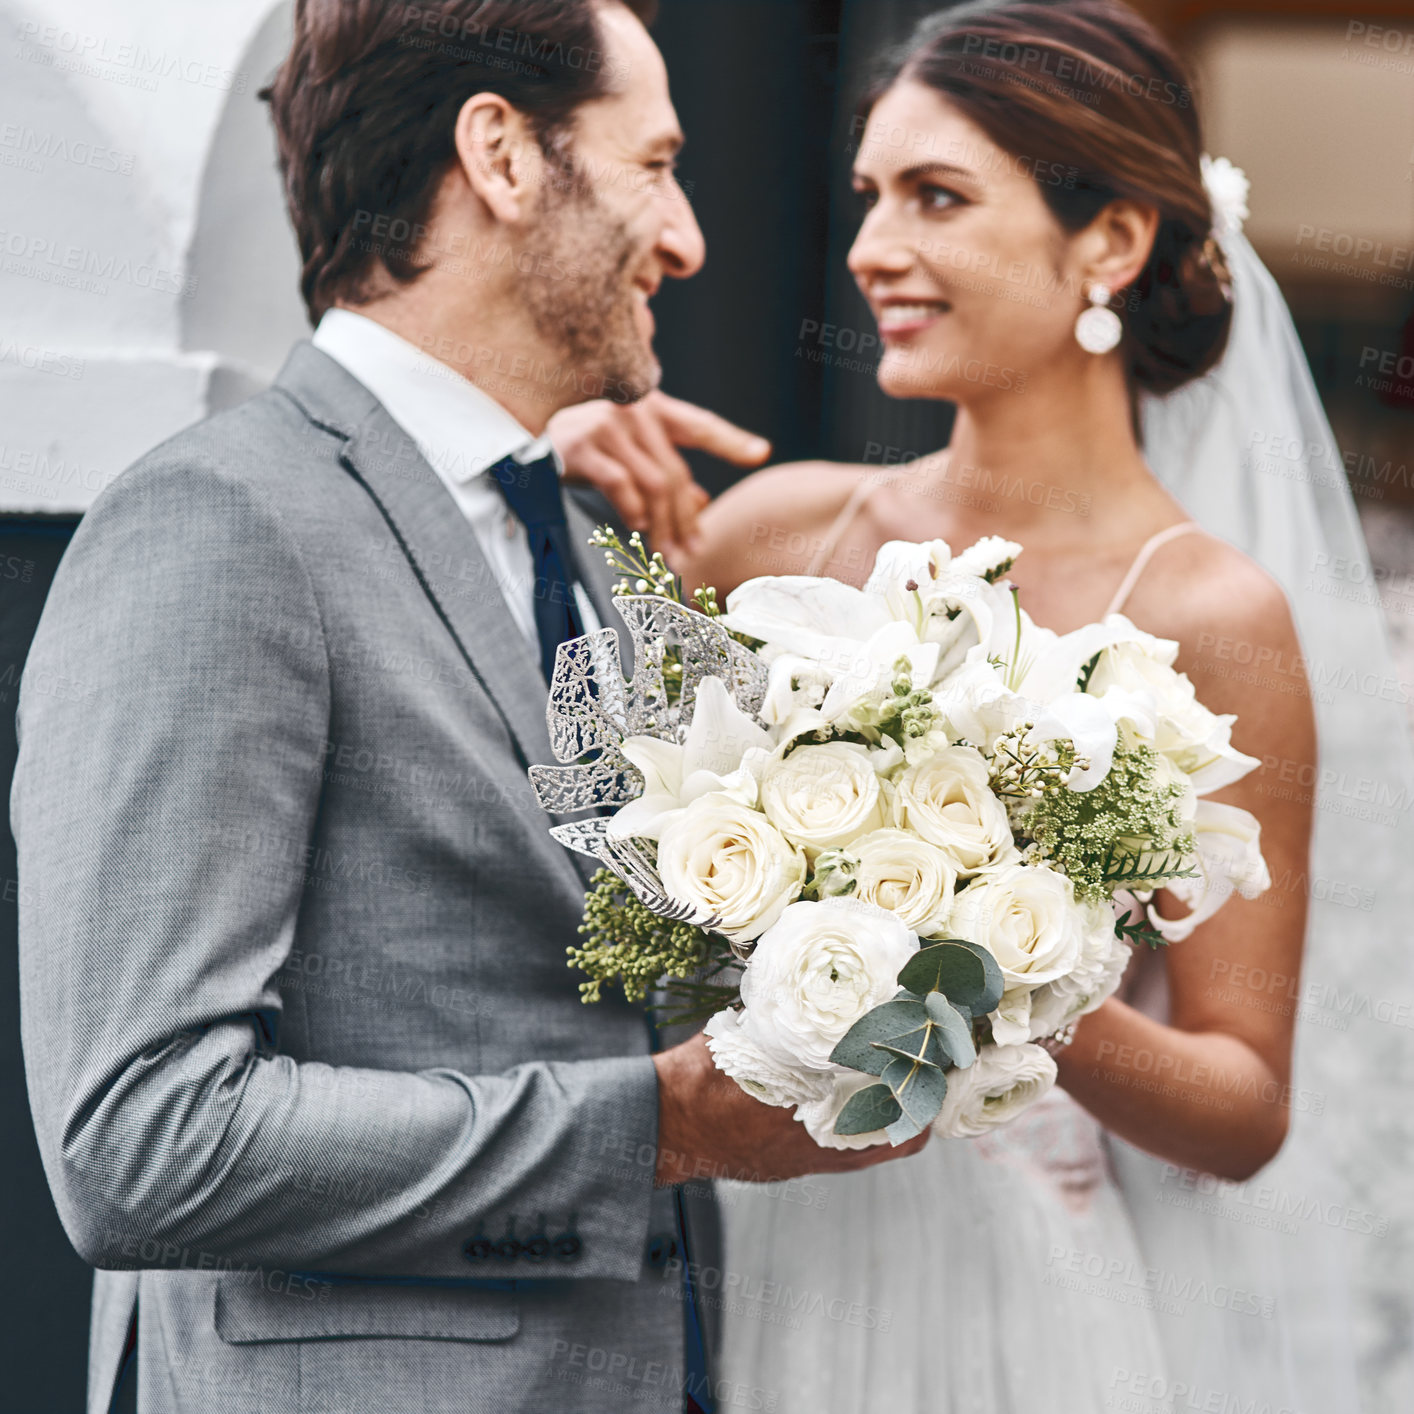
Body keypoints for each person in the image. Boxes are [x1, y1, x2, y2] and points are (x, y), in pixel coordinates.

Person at [10, 4, 925, 1413]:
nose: (684, 238)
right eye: (653, 163)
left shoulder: (586, 553)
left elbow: (583, 972)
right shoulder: (218, 525)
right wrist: (658, 1126)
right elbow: (145, 1137)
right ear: (500, 157)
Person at [552, 2, 1403, 1407]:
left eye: (935, 198)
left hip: (1013, 1306)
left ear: (1110, 242)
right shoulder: (772, 536)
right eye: (869, 198)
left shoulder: (1212, 614)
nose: (872, 249)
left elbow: (1242, 1108)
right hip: (734, 1248)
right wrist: (557, 470)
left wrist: (1007, 968)